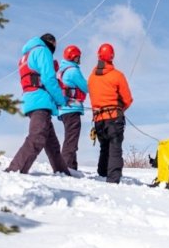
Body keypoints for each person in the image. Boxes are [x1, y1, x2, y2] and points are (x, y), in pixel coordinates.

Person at [5, 33, 71, 175]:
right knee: (37, 136)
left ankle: (63, 172)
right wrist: (61, 100)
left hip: (31, 99)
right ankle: (14, 170)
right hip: (40, 100)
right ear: (51, 43)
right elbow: (48, 78)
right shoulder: (42, 51)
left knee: (52, 143)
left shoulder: (27, 55)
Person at [87, 43, 134, 184]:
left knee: (104, 147)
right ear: (112, 56)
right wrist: (120, 109)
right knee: (115, 147)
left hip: (98, 119)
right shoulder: (117, 76)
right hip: (114, 117)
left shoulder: (91, 77)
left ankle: (102, 173)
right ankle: (113, 179)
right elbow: (128, 99)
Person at [56, 44, 89, 171]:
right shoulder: (73, 71)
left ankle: (72, 168)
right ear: (73, 57)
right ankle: (66, 168)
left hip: (64, 109)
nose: (79, 59)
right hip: (72, 108)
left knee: (70, 138)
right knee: (71, 140)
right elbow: (86, 87)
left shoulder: (62, 71)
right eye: (78, 57)